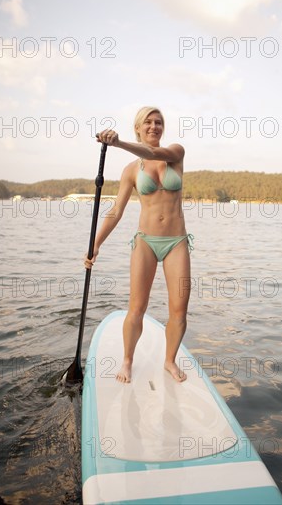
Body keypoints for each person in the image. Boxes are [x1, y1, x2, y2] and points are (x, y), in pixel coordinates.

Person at [84, 107, 193, 383]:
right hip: (145, 241)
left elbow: (153, 153)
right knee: (137, 308)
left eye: (159, 122)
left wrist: (118, 143)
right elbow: (116, 211)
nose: (154, 126)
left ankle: (169, 361)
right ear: (138, 127)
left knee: (179, 310)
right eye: (148, 122)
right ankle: (128, 359)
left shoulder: (175, 153)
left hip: (176, 242)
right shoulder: (131, 170)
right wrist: (96, 244)